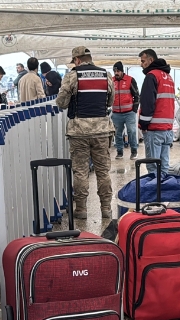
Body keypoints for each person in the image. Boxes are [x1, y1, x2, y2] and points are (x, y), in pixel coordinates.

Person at [56, 46, 115, 219]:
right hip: (102, 131)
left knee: (80, 171)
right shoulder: (106, 75)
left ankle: (81, 209)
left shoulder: (72, 76)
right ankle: (106, 208)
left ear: (77, 60)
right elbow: (111, 100)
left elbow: (61, 102)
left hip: (79, 131)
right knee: (103, 171)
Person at [138, 49, 175, 175]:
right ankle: (163, 191)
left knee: (153, 167)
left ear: (150, 60)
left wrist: (143, 124)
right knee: (164, 166)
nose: (141, 64)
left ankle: (156, 192)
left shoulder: (152, 76)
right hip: (167, 129)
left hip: (154, 128)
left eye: (143, 61)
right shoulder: (168, 77)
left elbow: (147, 102)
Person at [111, 61, 140, 160]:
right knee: (117, 133)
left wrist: (134, 109)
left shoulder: (130, 80)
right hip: (116, 114)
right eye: (114, 71)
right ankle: (119, 152)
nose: (116, 73)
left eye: (118, 70)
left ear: (122, 71)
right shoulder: (111, 81)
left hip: (129, 112)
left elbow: (136, 95)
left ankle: (134, 151)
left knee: (131, 131)